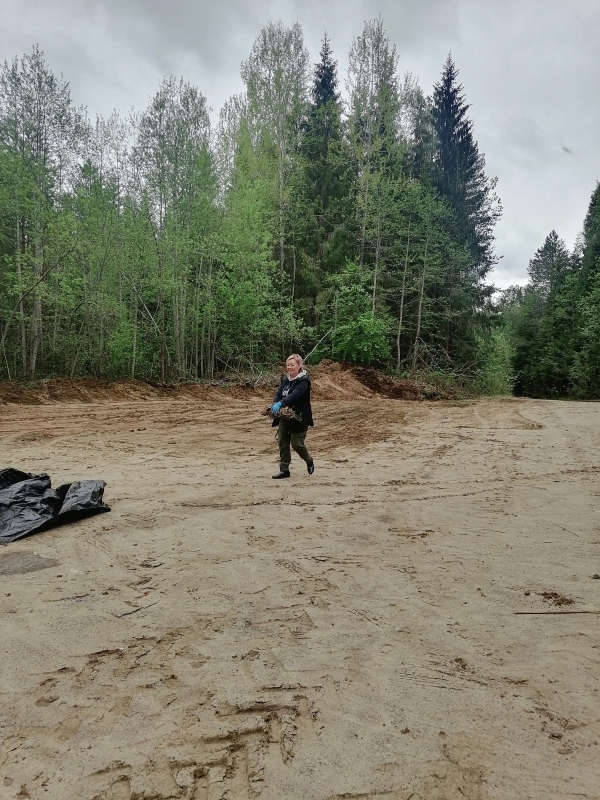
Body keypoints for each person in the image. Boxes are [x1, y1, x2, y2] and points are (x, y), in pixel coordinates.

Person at [270, 354, 314, 479]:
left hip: (299, 417)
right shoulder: (285, 379)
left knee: (297, 444)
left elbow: (295, 395)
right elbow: (279, 393)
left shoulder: (304, 381)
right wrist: (275, 402)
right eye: (288, 365)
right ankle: (284, 470)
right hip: (285, 416)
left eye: (292, 365)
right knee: (282, 442)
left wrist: (281, 403)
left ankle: (309, 460)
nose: (289, 367)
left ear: (299, 365)